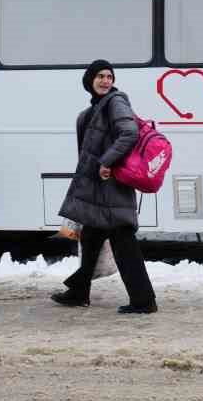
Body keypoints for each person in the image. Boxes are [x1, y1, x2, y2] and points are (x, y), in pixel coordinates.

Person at [50, 60, 157, 314]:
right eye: (100, 76)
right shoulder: (93, 110)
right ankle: (79, 292)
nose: (105, 80)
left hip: (112, 186)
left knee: (123, 241)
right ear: (90, 80)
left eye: (109, 76)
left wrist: (107, 161)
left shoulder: (115, 102)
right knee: (90, 238)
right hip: (98, 189)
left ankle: (144, 301)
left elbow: (129, 133)